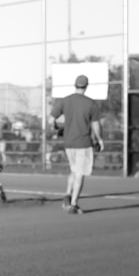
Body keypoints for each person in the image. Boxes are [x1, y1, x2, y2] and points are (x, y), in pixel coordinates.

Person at [49, 75, 104, 214]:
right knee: (80, 173)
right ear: (86, 86)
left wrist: (57, 128)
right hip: (83, 143)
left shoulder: (64, 101)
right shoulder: (91, 103)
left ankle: (68, 195)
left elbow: (51, 119)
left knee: (74, 170)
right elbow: (96, 124)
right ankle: (73, 204)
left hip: (68, 142)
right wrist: (100, 139)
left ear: (75, 85)